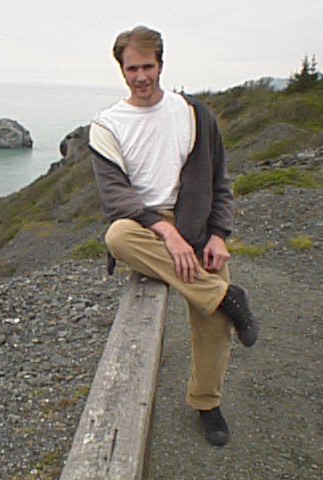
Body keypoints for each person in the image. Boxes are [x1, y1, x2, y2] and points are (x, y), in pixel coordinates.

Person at [89, 25, 258, 446]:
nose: (141, 76)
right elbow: (115, 198)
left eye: (148, 66)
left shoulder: (194, 114)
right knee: (117, 236)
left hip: (197, 225)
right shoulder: (107, 125)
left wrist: (218, 236)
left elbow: (220, 181)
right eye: (132, 68)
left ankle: (207, 402)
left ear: (161, 65)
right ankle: (226, 296)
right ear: (121, 69)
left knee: (214, 323)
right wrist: (166, 232)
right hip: (144, 227)